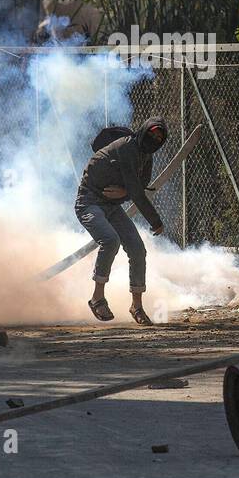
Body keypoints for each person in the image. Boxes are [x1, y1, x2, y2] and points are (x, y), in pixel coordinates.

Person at [76, 116, 167, 325]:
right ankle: (97, 298)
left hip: (112, 207)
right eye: (152, 133)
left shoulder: (146, 157)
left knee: (137, 249)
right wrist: (155, 221)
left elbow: (136, 189)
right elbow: (136, 192)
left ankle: (137, 306)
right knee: (110, 240)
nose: (154, 139)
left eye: (159, 137)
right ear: (143, 131)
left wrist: (124, 194)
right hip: (89, 202)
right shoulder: (127, 148)